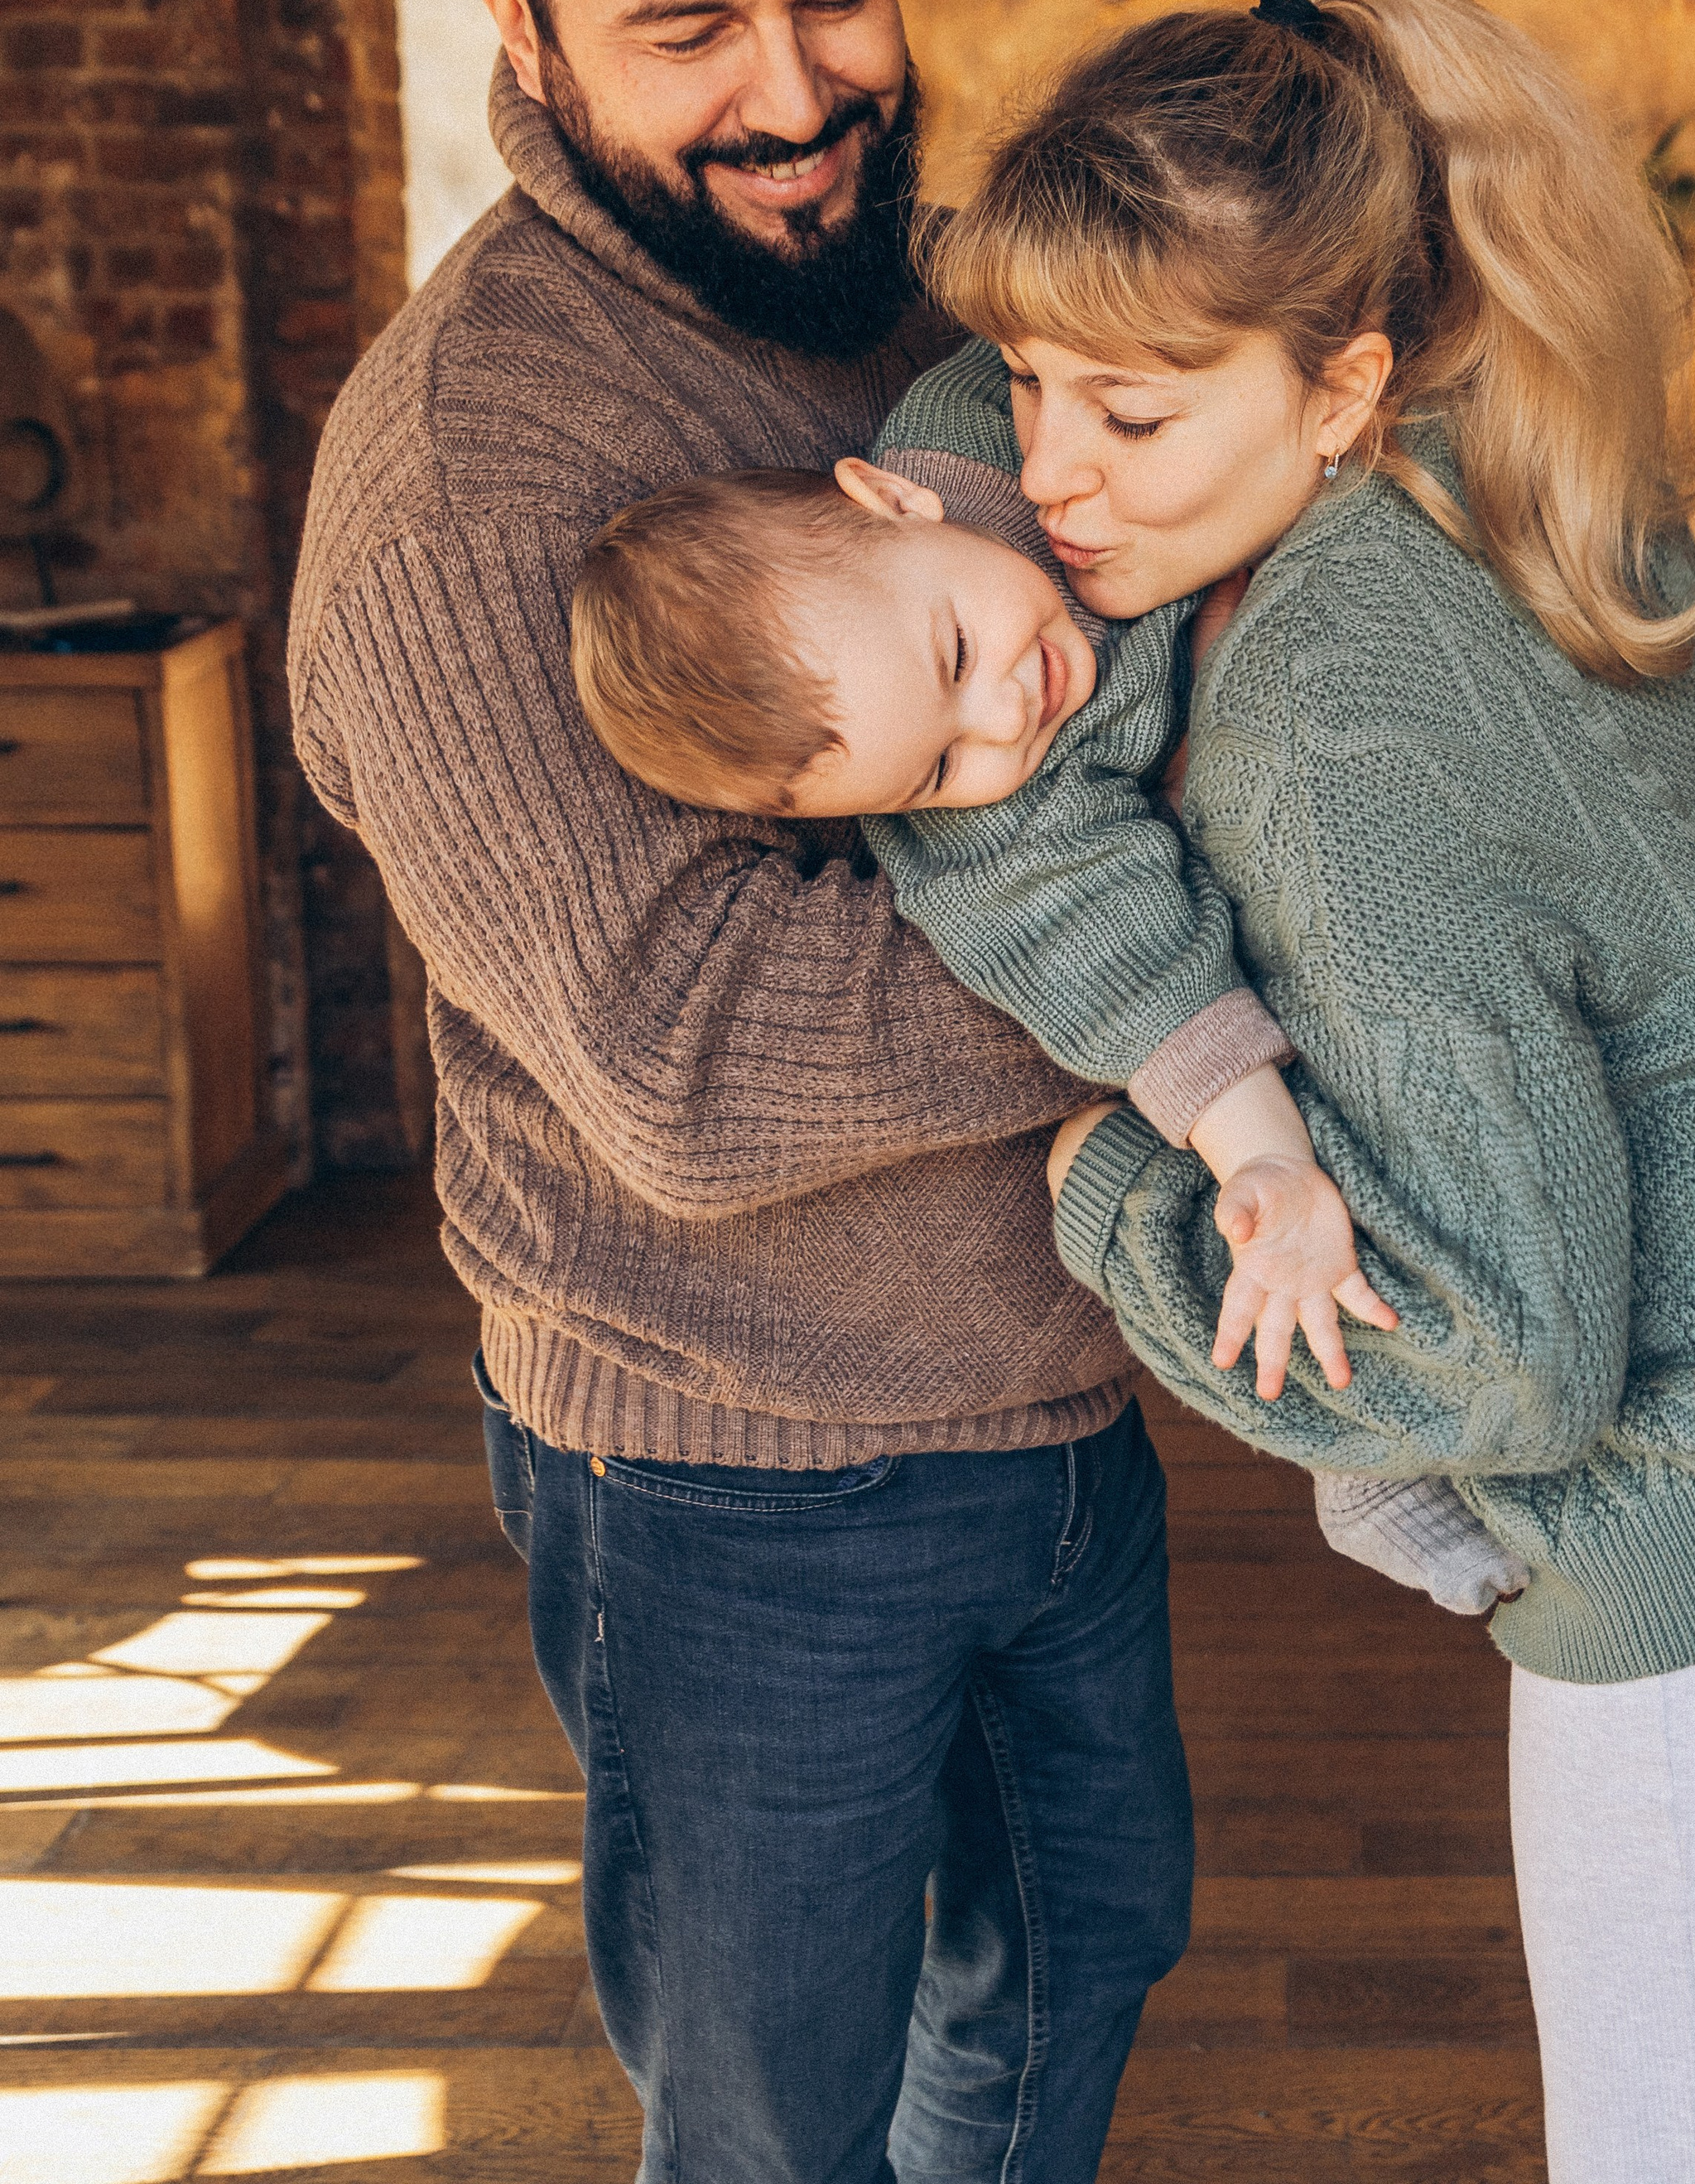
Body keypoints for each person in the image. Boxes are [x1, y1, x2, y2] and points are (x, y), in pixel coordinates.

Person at [678, 0, 1695, 2184]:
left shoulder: (1333, 740)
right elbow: (998, 426)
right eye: (1031, 384)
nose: (1050, 472)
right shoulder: (1494, 400)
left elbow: (1502, 1358)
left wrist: (1113, 1197)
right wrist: (1028, 442)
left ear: (1334, 388)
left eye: (1131, 417)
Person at [288, 0, 1202, 2184]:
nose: (799, 96)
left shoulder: (891, 295)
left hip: (1049, 1397)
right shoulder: (472, 475)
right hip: (737, 1488)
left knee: (1089, 1943)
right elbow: (689, 1062)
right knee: (770, 2112)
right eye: (689, 28)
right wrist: (1214, 958)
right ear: (516, 13)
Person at [563, 430, 1524, 1618]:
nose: (1006, 717)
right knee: (1303, 1166)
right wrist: (1265, 1158)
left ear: (896, 499)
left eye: (958, 649)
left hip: (1359, 703)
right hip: (1233, 929)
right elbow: (1135, 977)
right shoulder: (994, 838)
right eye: (938, 767)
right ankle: (1363, 1447)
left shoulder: (1000, 429)